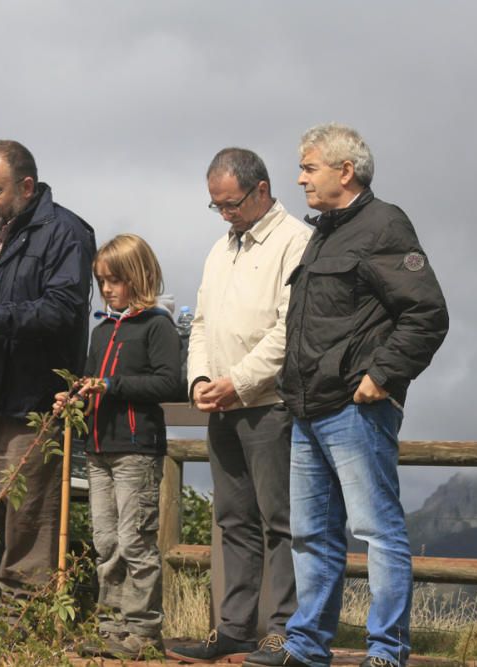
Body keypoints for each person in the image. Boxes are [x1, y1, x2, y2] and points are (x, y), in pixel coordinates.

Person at [244, 124, 449, 667]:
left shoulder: (385, 225)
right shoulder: (324, 233)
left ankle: (387, 652)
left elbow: (427, 313)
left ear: (345, 171)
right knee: (311, 535)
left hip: (356, 409)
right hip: (309, 409)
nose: (300, 177)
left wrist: (381, 375)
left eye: (309, 167)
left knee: (376, 531)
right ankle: (308, 647)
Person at [168, 148, 311, 663]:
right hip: (224, 404)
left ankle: (283, 630)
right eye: (217, 206)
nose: (224, 214)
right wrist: (201, 379)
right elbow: (201, 324)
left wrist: (239, 383)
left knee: (280, 520)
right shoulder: (219, 248)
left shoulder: (296, 242)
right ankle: (234, 626)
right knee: (234, 520)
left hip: (269, 403)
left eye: (230, 204)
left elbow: (288, 330)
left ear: (262, 191)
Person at [0, 140, 96, 607]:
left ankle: (20, 628)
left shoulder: (66, 232)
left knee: (29, 521)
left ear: (26, 187)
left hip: (30, 402)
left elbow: (65, 309)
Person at [54, 234, 181, 660]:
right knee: (106, 542)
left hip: (136, 449)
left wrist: (112, 385)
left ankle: (144, 631)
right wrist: (74, 395)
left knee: (135, 541)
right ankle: (112, 627)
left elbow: (170, 382)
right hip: (98, 448)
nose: (107, 289)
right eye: (101, 281)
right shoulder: (101, 331)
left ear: (138, 276)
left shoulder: (158, 325)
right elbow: (91, 380)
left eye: (115, 280)